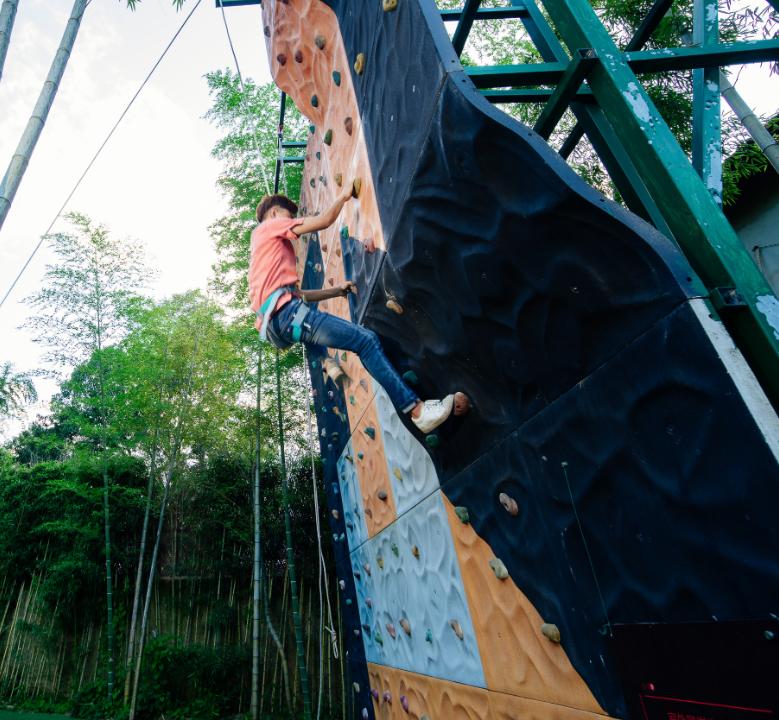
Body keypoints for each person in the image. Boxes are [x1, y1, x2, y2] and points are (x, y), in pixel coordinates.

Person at [248, 186, 455, 434]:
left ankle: (326, 360)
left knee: (313, 327)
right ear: (273, 215)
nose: (291, 222)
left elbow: (300, 294)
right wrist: (344, 195)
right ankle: (417, 411)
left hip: (279, 324)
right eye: (287, 216)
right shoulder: (267, 228)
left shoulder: (263, 255)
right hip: (289, 315)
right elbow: (324, 221)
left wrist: (336, 291)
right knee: (366, 341)